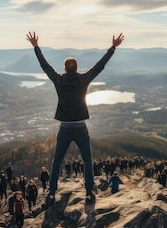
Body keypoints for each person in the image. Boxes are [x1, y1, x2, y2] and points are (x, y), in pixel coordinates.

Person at [26, 31, 124, 205]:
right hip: (80, 127)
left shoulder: (59, 80)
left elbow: (45, 67)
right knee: (87, 161)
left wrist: (36, 47)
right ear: (76, 68)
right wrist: (113, 47)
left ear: (65, 68)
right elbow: (99, 66)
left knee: (57, 161)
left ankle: (51, 193)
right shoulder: (83, 79)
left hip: (64, 127)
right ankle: (88, 193)